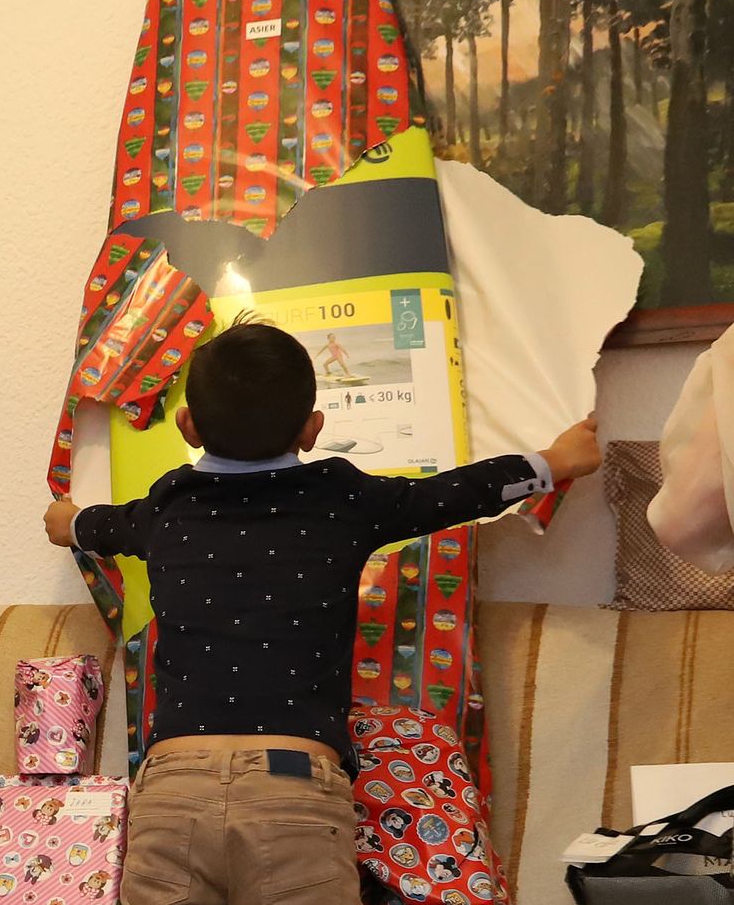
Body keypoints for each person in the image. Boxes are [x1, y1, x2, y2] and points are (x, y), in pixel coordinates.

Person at [42, 320, 601, 905]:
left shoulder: (167, 505)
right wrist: (552, 462)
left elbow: (88, 526)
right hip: (295, 786)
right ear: (313, 431)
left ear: (188, 425)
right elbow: (449, 494)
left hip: (172, 787)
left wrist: (68, 520)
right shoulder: (342, 498)